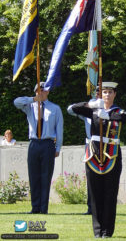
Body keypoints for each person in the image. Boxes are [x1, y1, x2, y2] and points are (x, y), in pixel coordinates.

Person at [68, 82, 126, 238]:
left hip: (112, 154)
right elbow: (74, 108)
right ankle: (97, 230)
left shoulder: (118, 111)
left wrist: (108, 115)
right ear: (100, 95)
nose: (107, 95)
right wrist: (91, 104)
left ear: (115, 94)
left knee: (110, 192)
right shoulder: (93, 110)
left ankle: (107, 231)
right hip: (94, 154)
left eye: (110, 92)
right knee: (95, 193)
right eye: (104, 92)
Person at [14, 82, 63, 214]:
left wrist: (58, 147)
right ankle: (35, 207)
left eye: (44, 90)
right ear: (35, 91)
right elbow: (16, 102)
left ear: (48, 92)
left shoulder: (55, 108)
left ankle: (43, 208)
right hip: (34, 143)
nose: (41, 92)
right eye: (38, 90)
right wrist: (34, 99)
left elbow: (59, 130)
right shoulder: (30, 106)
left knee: (45, 176)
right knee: (34, 176)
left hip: (48, 144)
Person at [67, 92, 100, 215]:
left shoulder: (109, 108)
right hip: (90, 144)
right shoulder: (88, 108)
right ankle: (91, 207)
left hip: (104, 144)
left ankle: (103, 207)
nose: (98, 94)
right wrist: (88, 104)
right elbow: (70, 109)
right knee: (91, 176)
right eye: (97, 92)